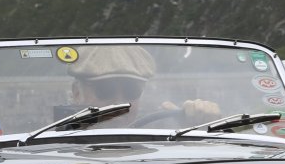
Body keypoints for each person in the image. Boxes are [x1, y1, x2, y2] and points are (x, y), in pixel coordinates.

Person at [68, 46, 219, 124]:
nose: (119, 103)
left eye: (131, 90)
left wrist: (197, 128)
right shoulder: (55, 135)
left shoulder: (163, 129)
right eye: (105, 89)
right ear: (77, 93)